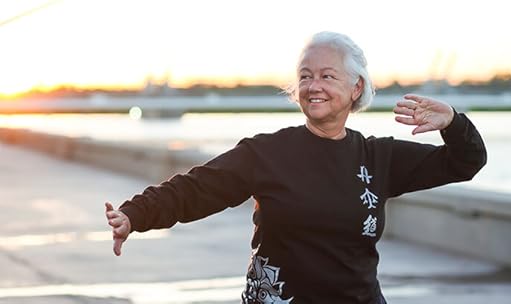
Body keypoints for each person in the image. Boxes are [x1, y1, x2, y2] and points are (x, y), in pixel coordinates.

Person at [105, 31, 487, 303]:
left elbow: (466, 161)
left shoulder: (379, 157)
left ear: (356, 88)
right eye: (305, 76)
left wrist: (454, 122)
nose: (313, 85)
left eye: (327, 75)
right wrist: (135, 214)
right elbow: (197, 188)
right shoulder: (267, 152)